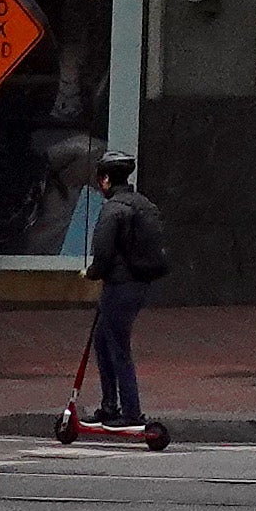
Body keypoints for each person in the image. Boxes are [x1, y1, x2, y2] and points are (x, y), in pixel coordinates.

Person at [81, 150, 170, 427]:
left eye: (101, 179)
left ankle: (130, 412)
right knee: (104, 341)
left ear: (106, 179)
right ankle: (109, 405)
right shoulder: (143, 204)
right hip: (138, 284)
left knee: (117, 345)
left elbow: (104, 253)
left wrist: (92, 273)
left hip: (120, 285)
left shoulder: (112, 209)